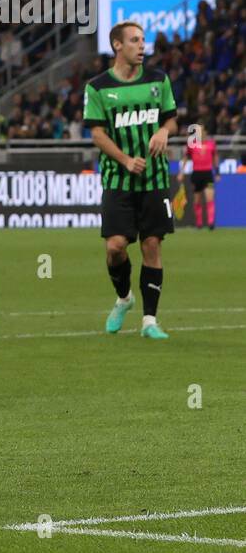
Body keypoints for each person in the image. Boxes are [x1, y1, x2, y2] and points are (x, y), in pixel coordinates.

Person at [84, 21, 179, 339]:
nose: (142, 46)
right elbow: (97, 133)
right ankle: (124, 298)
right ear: (117, 45)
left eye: (143, 40)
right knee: (115, 247)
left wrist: (164, 131)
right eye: (135, 40)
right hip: (117, 181)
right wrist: (125, 160)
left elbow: (171, 118)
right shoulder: (97, 87)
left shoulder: (158, 80)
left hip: (154, 179)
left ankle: (149, 321)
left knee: (152, 244)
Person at [181, 128, 218, 230]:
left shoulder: (211, 144)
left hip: (208, 174)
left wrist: (217, 172)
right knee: (197, 200)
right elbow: (185, 158)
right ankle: (199, 223)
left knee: (209, 197)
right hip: (197, 174)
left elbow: (215, 158)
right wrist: (181, 172)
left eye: (202, 131)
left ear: (205, 132)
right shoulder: (191, 144)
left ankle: (211, 223)